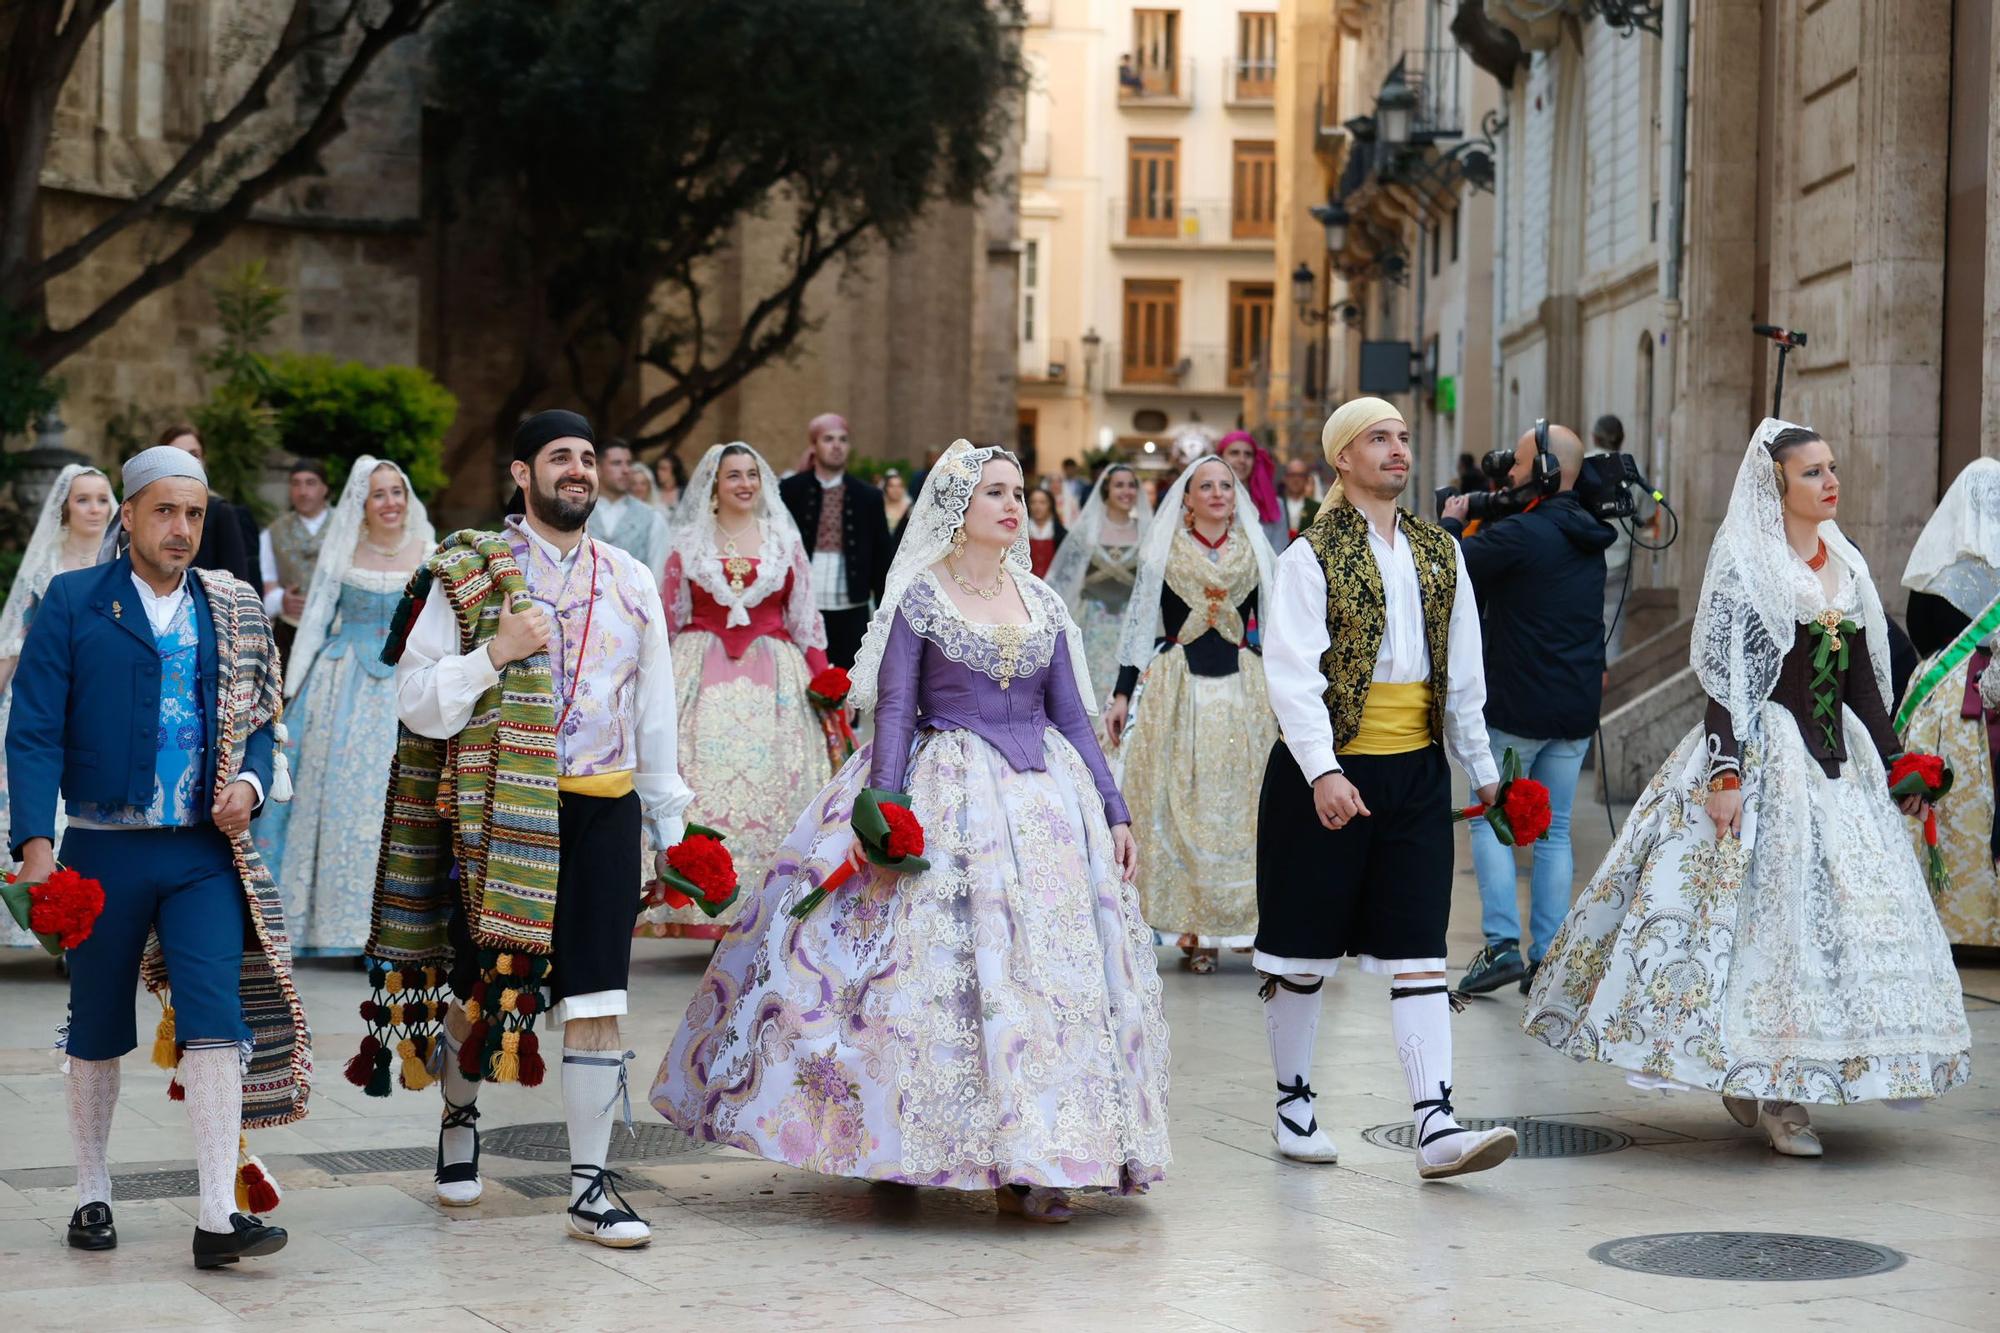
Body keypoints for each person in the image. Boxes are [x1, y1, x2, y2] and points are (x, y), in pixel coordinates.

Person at [652, 439, 1169, 1224]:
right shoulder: (923, 599)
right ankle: (902, 1141)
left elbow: (1071, 714)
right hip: (950, 791)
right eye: (995, 492)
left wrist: (1115, 808)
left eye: (1018, 491)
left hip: (1046, 808)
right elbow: (895, 708)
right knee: (932, 976)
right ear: (959, 512)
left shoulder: (1044, 602)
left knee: (1040, 980)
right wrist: (886, 813)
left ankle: (1038, 1151)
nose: (1011, 504)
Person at [1525, 420, 1972, 1155]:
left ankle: (1780, 1075)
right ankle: (1778, 1096)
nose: (1830, 481)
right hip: (1766, 757)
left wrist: (1897, 765)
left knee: (1826, 931)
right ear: (1777, 486)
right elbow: (1726, 684)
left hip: (1838, 767)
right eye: (1811, 472)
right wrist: (1724, 772)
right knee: (1765, 929)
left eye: (1832, 468)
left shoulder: (1847, 566)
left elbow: (1861, 684)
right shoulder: (1748, 562)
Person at [362, 409, 694, 1246]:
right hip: (501, 808)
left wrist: (670, 821)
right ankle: (459, 1114)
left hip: (604, 805)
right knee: (484, 991)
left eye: (588, 456)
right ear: (521, 473)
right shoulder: (468, 571)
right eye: (560, 457)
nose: (579, 470)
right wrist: (496, 652)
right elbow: (416, 701)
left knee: (597, 993)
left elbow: (654, 709)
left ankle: (589, 1184)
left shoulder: (629, 577)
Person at [6, 445, 306, 1265]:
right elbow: (31, 729)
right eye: (165, 511)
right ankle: (91, 1190)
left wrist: (249, 779)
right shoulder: (71, 602)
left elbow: (257, 721)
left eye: (195, 514)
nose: (181, 529)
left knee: (216, 1019)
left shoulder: (230, 606)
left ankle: (216, 1214)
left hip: (203, 852)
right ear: (128, 514)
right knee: (98, 1025)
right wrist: (35, 845)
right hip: (100, 853)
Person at [1254, 397, 1515, 1179]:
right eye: (1380, 438)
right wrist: (1323, 770)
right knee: (1303, 949)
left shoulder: (1442, 553)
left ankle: (1436, 1124)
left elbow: (1461, 673)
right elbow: (1292, 676)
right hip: (1326, 770)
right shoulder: (1309, 555)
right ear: (1343, 457)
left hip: (1414, 773)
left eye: (1403, 438)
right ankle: (1293, 1102)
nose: (1399, 450)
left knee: (1419, 948)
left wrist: (1485, 766)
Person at [1441, 422, 1614, 996]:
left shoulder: (1518, 536)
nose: (1508, 476)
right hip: (1573, 711)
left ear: (1543, 471)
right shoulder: (1591, 535)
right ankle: (1547, 955)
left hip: (1516, 710)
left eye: (1516, 465)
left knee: (1492, 820)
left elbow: (1447, 572)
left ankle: (1499, 946)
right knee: (1554, 831)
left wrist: (1451, 519)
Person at [639, 442, 833, 941]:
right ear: (714, 486)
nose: (745, 484)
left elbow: (805, 620)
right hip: (699, 669)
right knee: (698, 778)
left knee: (777, 782)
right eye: (734, 476)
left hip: (776, 676)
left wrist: (826, 681)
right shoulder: (687, 542)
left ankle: (769, 907)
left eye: (752, 474)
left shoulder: (783, 540)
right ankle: (702, 900)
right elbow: (668, 620)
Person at [253, 459, 433, 955]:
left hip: (406, 686)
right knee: (339, 802)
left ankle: (401, 928)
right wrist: (287, 694)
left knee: (398, 803)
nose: (391, 502)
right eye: (379, 494)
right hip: (341, 685)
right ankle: (339, 927)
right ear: (362, 503)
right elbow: (313, 623)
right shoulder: (342, 552)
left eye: (397, 491)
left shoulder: (429, 552)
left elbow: (442, 627)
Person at [1107, 454, 1276, 973]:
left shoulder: (1255, 552)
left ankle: (1248, 924)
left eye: (1226, 485)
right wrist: (1120, 694)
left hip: (1242, 688)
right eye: (1206, 486)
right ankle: (1194, 930)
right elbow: (1138, 627)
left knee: (1244, 808)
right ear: (1188, 498)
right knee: (1183, 804)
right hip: (1179, 686)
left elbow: (1272, 630)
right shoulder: (1164, 551)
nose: (1218, 494)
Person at [0, 465, 116, 949]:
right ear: (65, 510)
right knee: (40, 808)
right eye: (83, 500)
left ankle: (93, 925)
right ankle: (46, 920)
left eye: (102, 499)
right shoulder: (45, 566)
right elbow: (13, 640)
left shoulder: (123, 562)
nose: (94, 509)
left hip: (103, 702)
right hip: (47, 697)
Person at [1897, 457, 2000, 950]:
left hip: (1946, 708)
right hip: (1981, 704)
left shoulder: (1937, 575)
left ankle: (1942, 921)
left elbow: (1919, 633)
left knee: (1950, 804)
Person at [779, 413, 893, 669]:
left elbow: (881, 556)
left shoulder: (868, 496)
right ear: (814, 445)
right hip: (803, 604)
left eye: (843, 439)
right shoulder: (789, 490)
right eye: (828, 439)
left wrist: (885, 613)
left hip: (851, 604)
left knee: (847, 680)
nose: (837, 445)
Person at [1047, 462, 1154, 715]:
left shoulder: (1147, 532)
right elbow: (1063, 579)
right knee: (1091, 692)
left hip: (1131, 627)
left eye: (1131, 485)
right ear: (1106, 490)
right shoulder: (1087, 531)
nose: (1126, 491)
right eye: (1119, 485)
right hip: (1092, 626)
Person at [259, 458, 332, 666]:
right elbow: (266, 584)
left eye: (310, 483)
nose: (303, 491)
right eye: (296, 483)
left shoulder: (344, 529)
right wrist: (282, 600)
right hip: (289, 633)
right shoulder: (273, 532)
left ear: (324, 488)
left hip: (333, 631)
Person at [586, 438, 671, 577]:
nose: (626, 470)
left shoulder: (652, 518)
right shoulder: (580, 512)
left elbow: (658, 575)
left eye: (629, 463)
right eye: (616, 463)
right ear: (598, 468)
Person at [1590, 416, 1636, 659]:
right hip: (1620, 562)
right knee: (1613, 631)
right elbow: (1647, 515)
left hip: (1588, 560)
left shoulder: (1584, 463)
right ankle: (1611, 691)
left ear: (1594, 436)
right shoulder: (1628, 468)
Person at [1220, 429, 1287, 552]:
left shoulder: (1274, 505)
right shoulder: (1208, 502)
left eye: (1248, 454)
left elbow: (1279, 556)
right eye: (1234, 453)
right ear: (1221, 458)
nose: (1242, 460)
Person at [1025, 485, 1066, 578]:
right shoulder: (1020, 533)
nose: (1037, 506)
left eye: (1042, 502)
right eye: (1033, 502)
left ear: (1050, 505)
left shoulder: (1061, 533)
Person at [1281, 457, 1320, 542]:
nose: (1296, 479)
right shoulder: (1275, 506)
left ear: (1306, 479)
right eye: (1292, 475)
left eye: (1300, 475)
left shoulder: (1317, 509)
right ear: (1285, 478)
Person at [881, 467, 913, 552]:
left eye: (899, 486)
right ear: (885, 488)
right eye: (892, 486)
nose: (896, 490)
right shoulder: (879, 508)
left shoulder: (910, 510)